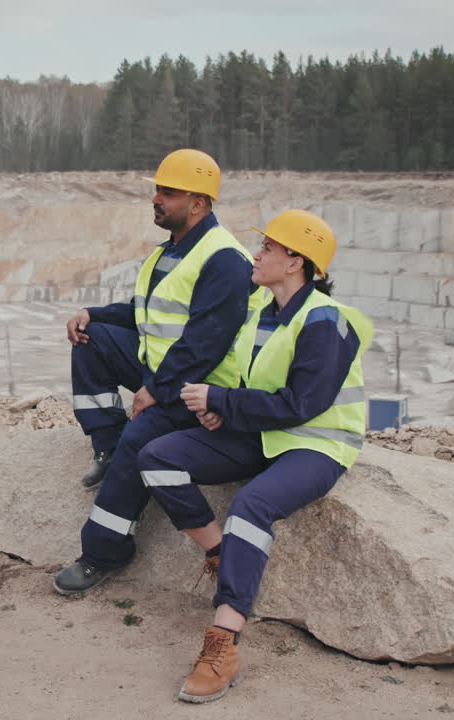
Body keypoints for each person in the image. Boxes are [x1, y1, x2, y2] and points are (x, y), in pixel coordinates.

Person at [136, 209, 374, 702]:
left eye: (268, 248)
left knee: (251, 505)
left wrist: (224, 402)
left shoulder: (324, 321)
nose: (257, 254)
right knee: (157, 457)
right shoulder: (259, 314)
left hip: (317, 443)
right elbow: (251, 386)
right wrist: (220, 411)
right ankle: (221, 554)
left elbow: (302, 404)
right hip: (261, 434)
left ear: (296, 262)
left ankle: (223, 641)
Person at [53, 149, 256, 595]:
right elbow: (145, 313)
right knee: (93, 340)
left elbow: (207, 342)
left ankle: (104, 552)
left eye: (167, 192)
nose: (156, 199)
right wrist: (94, 314)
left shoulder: (224, 258)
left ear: (198, 203)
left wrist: (154, 390)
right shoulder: (173, 250)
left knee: (139, 441)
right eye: (156, 191)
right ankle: (105, 447)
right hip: (163, 369)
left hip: (199, 389)